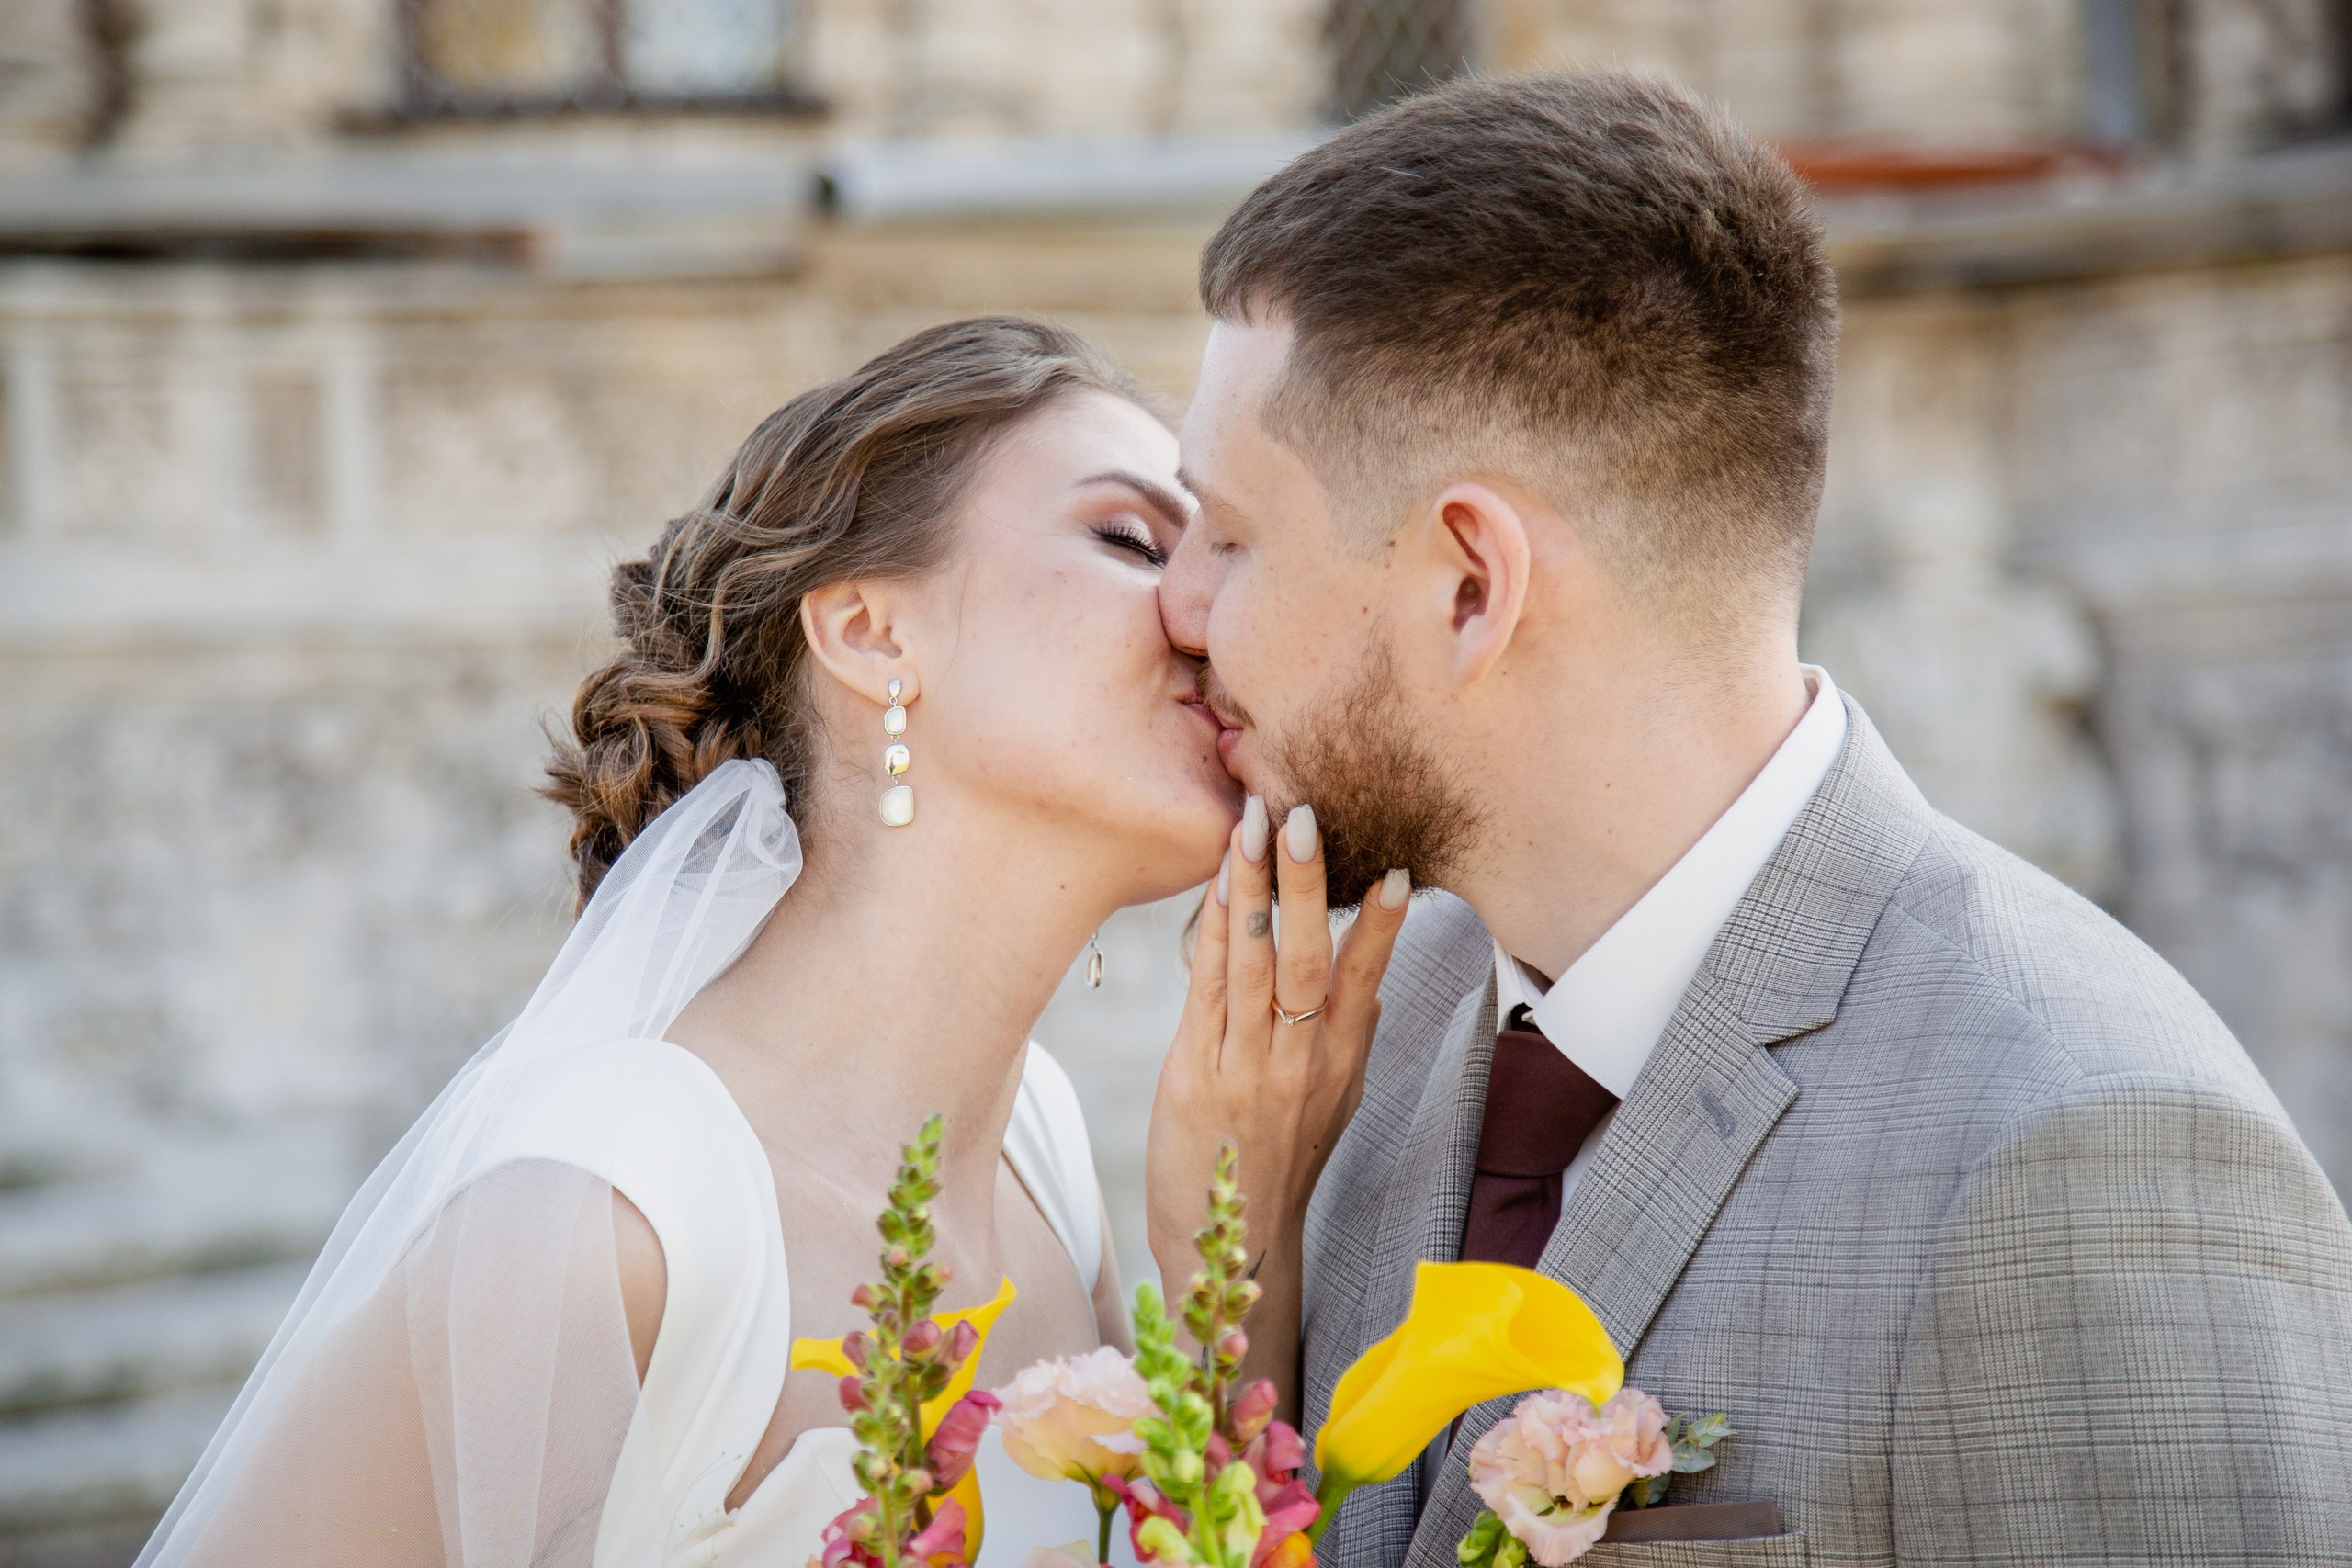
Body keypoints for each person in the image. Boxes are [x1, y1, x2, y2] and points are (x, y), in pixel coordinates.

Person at [1148, 73, 2352, 1564]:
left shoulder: (2086, 1147)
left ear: (1472, 587)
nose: (1181, 608)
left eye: (1235, 534)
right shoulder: (1354, 1063)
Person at [136, 317, 1410, 1568]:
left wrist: (1234, 1250)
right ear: (869, 631)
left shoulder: (1043, 1157)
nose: (1210, 610)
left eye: (1225, 552)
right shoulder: (595, 1233)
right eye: (1135, 538)